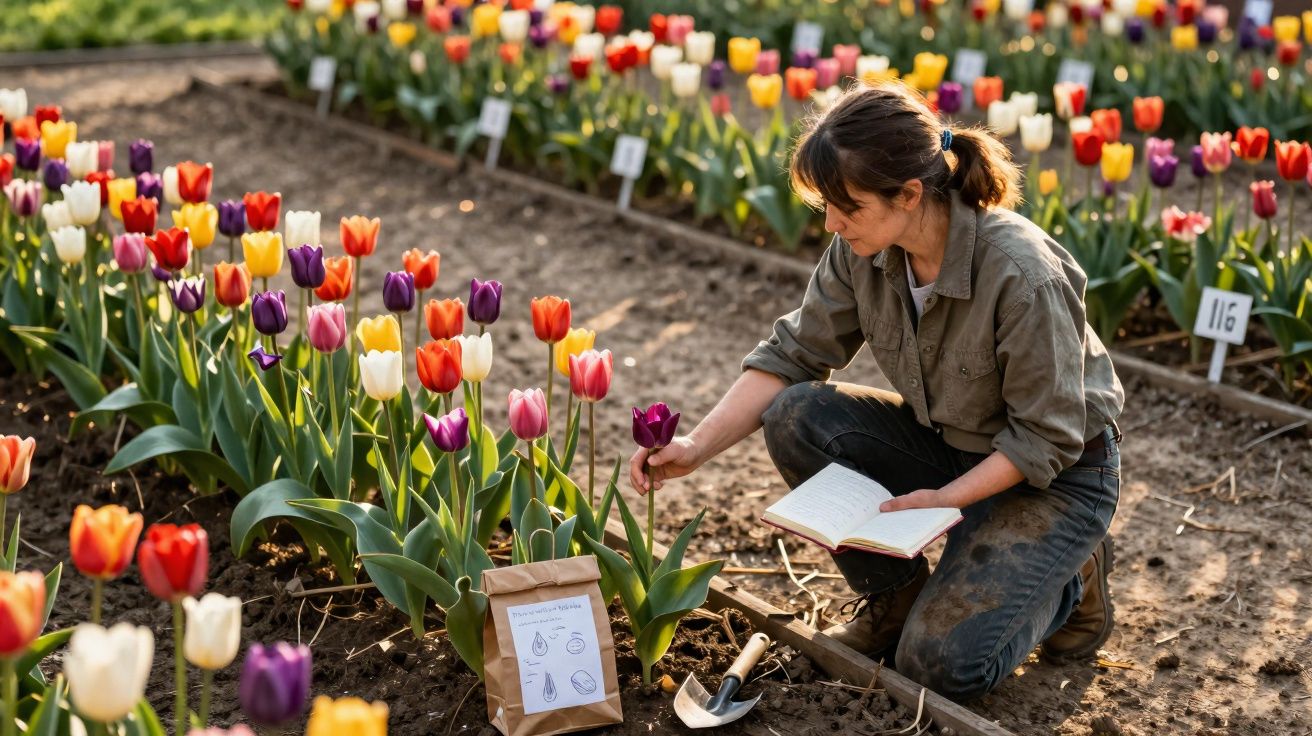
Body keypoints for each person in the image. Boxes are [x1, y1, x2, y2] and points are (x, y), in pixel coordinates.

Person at [628, 80, 1125, 702]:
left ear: (909, 194)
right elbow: (792, 356)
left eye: (848, 206)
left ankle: (1072, 575)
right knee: (796, 414)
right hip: (951, 446)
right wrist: (695, 448)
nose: (831, 223)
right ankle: (895, 598)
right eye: (825, 205)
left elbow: (1044, 438)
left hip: (1053, 478)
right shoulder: (862, 250)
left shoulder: (1021, 275)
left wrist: (945, 500)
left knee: (939, 668)